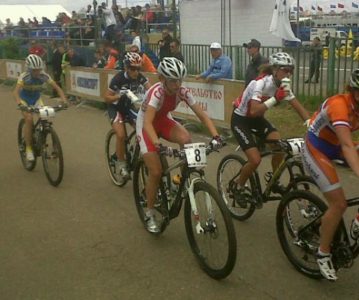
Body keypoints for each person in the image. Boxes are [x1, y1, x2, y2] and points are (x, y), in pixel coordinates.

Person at [136, 57, 223, 233]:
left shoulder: (182, 91)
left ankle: (182, 179)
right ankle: (150, 212)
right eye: (173, 80)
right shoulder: (157, 93)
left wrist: (216, 136)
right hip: (146, 124)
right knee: (156, 171)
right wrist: (157, 143)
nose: (177, 84)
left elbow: (201, 114)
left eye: (180, 80)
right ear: (162, 79)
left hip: (163, 120)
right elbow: (147, 123)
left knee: (186, 139)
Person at [301, 69, 359, 281]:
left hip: (336, 145)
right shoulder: (339, 105)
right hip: (316, 147)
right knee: (339, 204)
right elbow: (346, 145)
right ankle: (323, 252)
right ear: (352, 91)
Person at [231, 52, 310, 206]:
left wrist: (311, 123)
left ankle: (274, 179)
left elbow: (298, 107)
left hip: (257, 120)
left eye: (291, 71)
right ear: (274, 69)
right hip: (241, 120)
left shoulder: (283, 86)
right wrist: (276, 98)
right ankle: (238, 186)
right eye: (285, 70)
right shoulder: (259, 83)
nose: (289, 74)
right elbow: (253, 110)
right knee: (255, 160)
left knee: (279, 145)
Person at [105, 52, 151, 179]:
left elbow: (151, 91)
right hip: (115, 108)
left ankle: (139, 152)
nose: (135, 72)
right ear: (126, 67)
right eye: (132, 69)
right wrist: (118, 96)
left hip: (128, 108)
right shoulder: (118, 79)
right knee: (121, 135)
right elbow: (106, 97)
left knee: (142, 128)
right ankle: (120, 164)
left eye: (138, 69)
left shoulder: (140, 77)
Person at [13, 54, 67, 161]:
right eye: (34, 70)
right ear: (28, 69)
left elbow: (57, 88)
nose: (37, 72)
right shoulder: (24, 77)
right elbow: (15, 92)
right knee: (29, 119)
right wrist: (20, 104)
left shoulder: (44, 76)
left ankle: (42, 139)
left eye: (38, 69)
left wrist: (64, 100)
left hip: (36, 99)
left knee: (45, 116)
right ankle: (28, 148)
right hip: (25, 100)